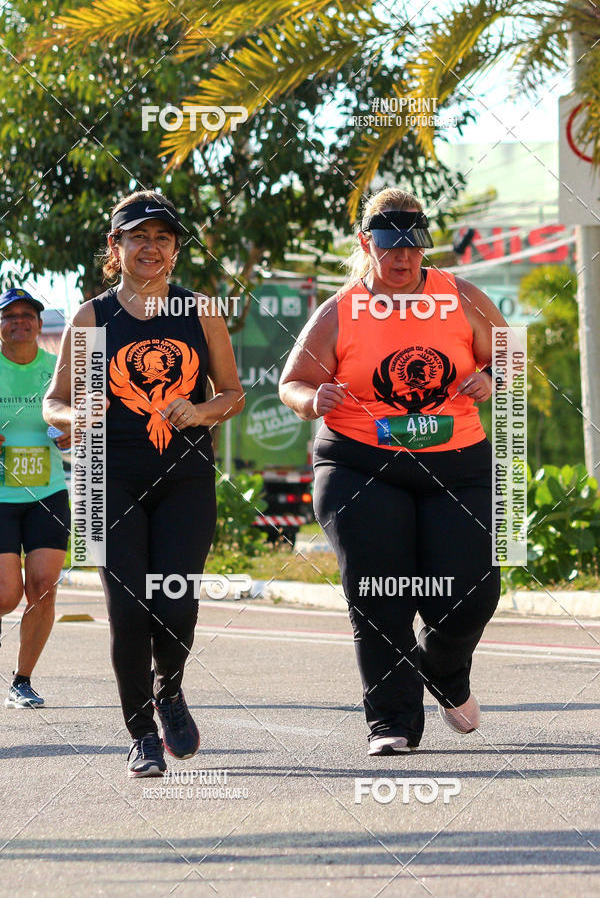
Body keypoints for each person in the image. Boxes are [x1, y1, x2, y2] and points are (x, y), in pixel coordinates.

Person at [279, 187, 507, 756]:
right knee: (379, 590)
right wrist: (314, 400)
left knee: (474, 591)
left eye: (413, 246)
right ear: (366, 244)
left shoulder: (460, 297)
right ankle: (392, 722)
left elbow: (510, 353)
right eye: (389, 246)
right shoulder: (340, 310)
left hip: (457, 464)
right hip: (361, 463)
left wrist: (494, 378)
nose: (402, 259)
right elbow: (292, 382)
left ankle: (443, 669)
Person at [44, 190, 244, 776]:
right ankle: (141, 737)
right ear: (116, 247)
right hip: (110, 479)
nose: (150, 247)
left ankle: (170, 688)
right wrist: (75, 419)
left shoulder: (201, 312)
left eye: (162, 237)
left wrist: (202, 412)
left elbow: (232, 394)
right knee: (129, 609)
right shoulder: (91, 317)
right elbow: (55, 404)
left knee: (175, 601)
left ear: (175, 250)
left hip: (185, 477)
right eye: (138, 236)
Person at [0, 288, 70, 708]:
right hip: (0, 498)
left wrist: (71, 433)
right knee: (6, 595)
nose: (20, 321)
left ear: (40, 325)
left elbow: (77, 421)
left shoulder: (54, 370)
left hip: (47, 492)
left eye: (28, 315)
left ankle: (21, 680)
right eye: (10, 316)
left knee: (43, 588)